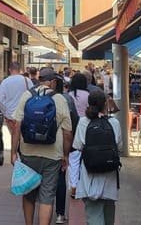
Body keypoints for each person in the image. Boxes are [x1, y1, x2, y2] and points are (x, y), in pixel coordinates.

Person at [11, 67, 73, 225]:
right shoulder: (59, 99)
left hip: (28, 153)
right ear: (52, 82)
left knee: (29, 194)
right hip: (52, 156)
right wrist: (65, 156)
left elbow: (17, 126)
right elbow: (67, 133)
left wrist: (13, 152)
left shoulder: (27, 96)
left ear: (39, 79)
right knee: (47, 196)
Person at [74, 90, 123, 225]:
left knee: (94, 214)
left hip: (90, 176)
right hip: (110, 176)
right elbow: (119, 147)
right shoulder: (114, 123)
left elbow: (78, 146)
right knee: (109, 213)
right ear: (105, 104)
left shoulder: (83, 122)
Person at [55, 70, 80, 224]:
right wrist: (69, 150)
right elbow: (73, 124)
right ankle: (59, 214)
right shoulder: (67, 99)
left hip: (38, 147)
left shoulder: (36, 96)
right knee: (60, 178)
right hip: (59, 146)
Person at [0, 62, 33, 142]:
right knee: (23, 139)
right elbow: (32, 97)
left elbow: (0, 101)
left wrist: (6, 114)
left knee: (14, 138)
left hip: (10, 116)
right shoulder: (27, 81)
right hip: (24, 116)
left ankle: (15, 153)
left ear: (9, 70)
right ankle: (20, 153)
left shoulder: (5, 82)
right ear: (20, 70)